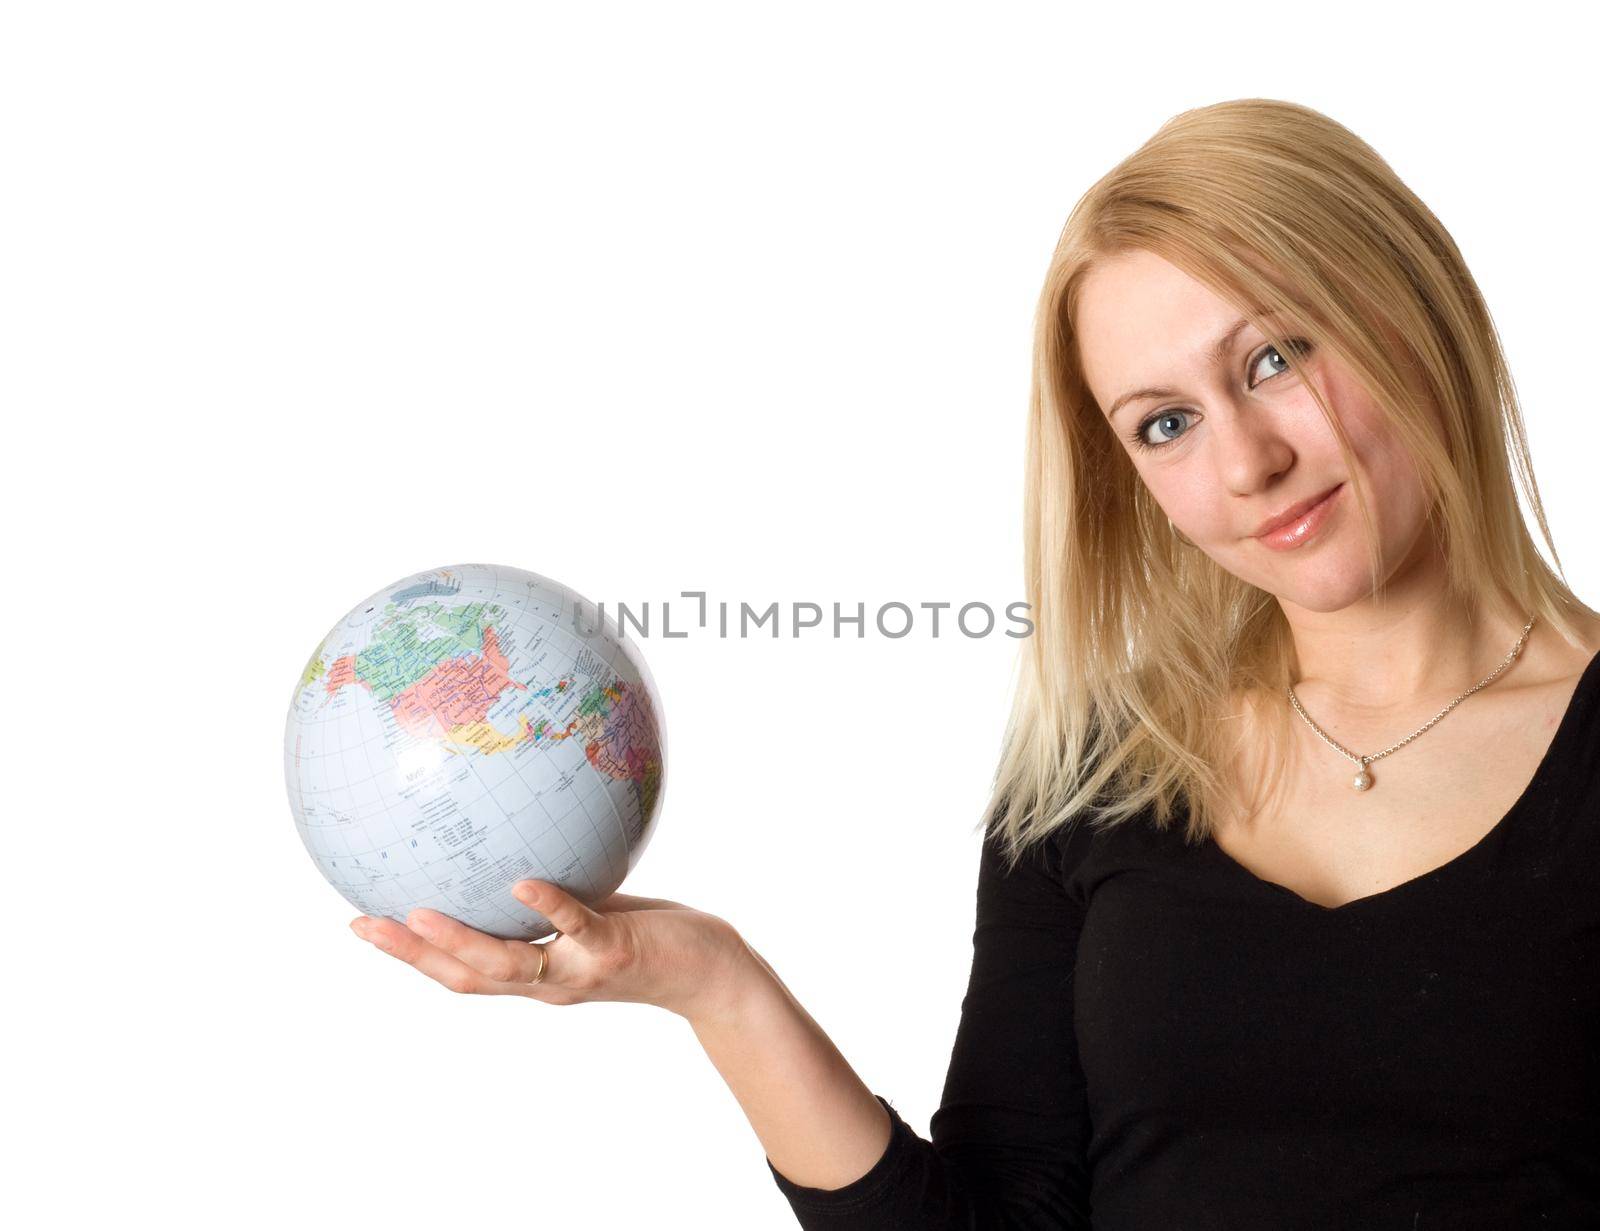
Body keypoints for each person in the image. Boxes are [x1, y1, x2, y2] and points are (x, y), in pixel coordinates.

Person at [345, 98, 1600, 1227]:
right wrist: (713, 985)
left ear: (1410, 306)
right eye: (1165, 423)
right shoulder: (1097, 778)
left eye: (1275, 358)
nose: (1243, 462)